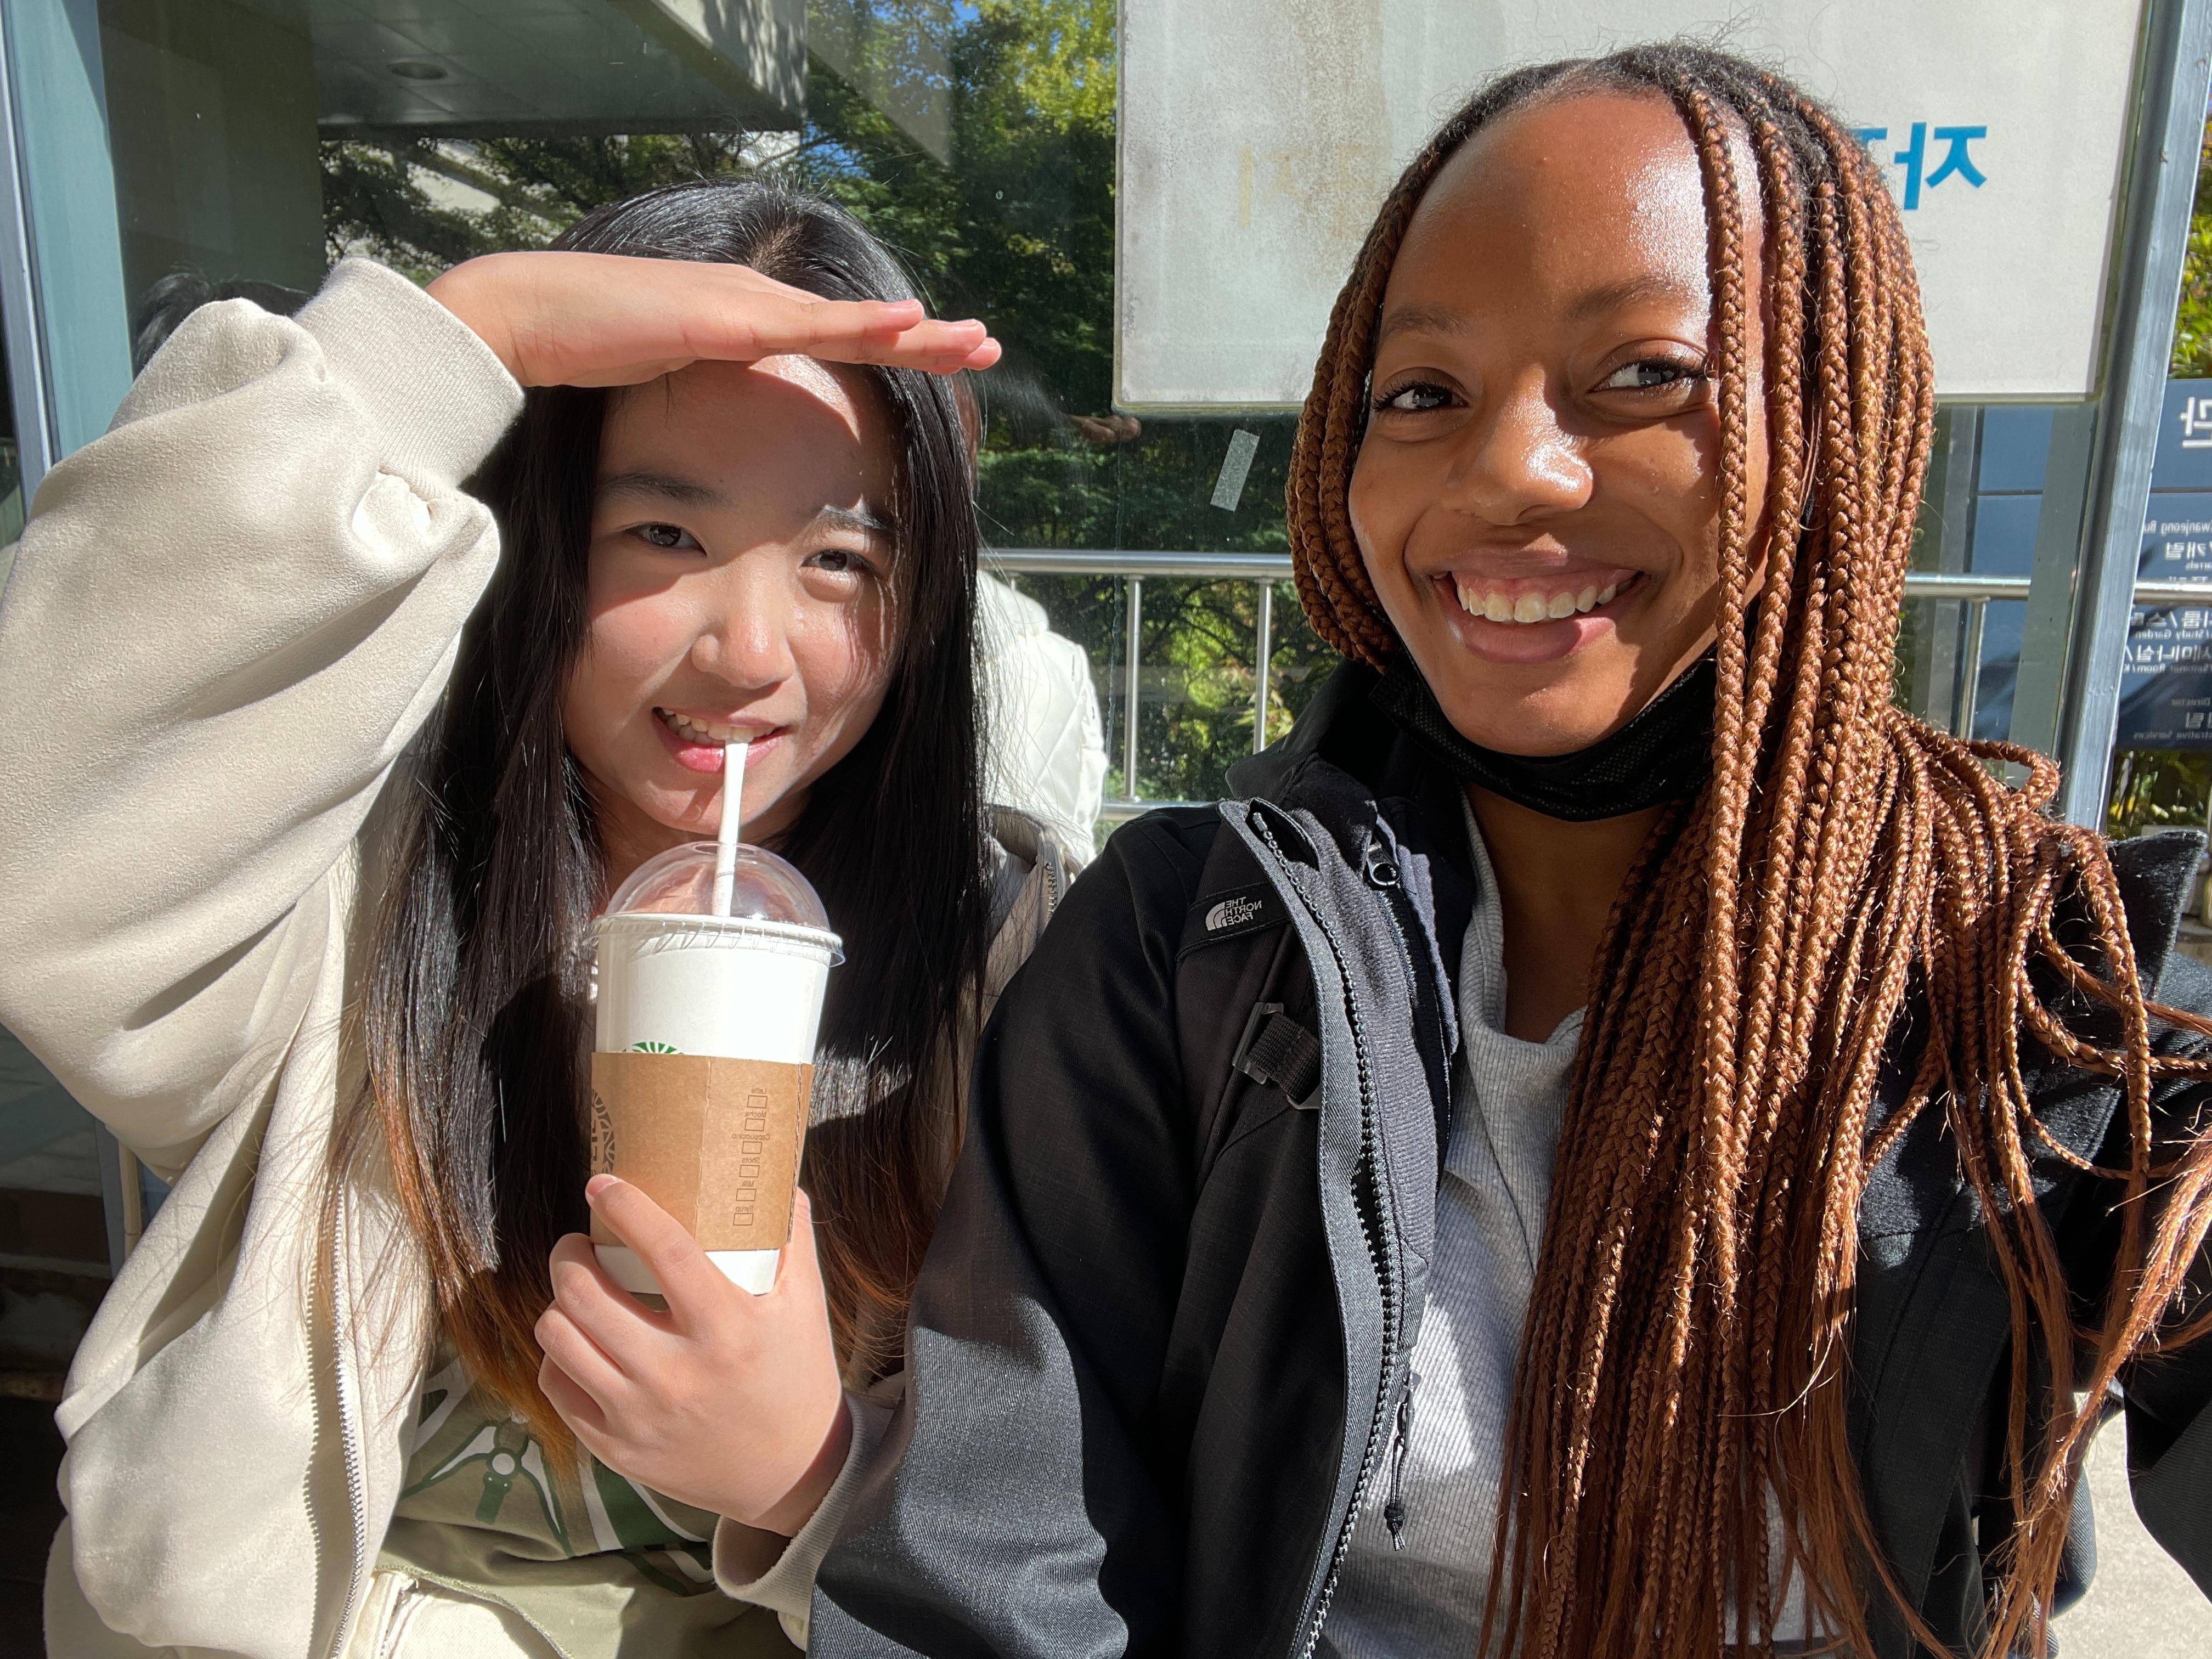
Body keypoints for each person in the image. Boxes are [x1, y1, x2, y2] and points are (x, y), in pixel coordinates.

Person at [802, 44, 2212, 1659]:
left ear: (1833, 427)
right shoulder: (1184, 946)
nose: (1507, 469)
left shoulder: (2033, 986)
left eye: (1643, 377)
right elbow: (999, 1574)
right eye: (1425, 394)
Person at [0, 179, 1077, 1657]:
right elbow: (44, 830)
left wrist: (814, 1477)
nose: (754, 652)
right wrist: (461, 343)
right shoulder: (351, 897)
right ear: (537, 544)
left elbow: (1077, 1504)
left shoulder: (1008, 967)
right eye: (661, 536)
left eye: (841, 561)